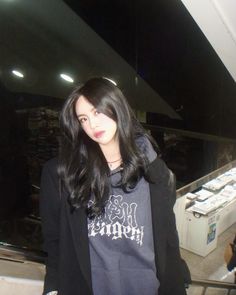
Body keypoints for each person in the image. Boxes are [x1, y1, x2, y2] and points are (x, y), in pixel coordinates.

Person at [40, 77, 190, 295]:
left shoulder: (156, 171)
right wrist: (53, 287)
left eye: (97, 112)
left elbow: (167, 240)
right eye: (83, 118)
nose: (92, 124)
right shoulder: (62, 175)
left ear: (117, 107)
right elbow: (54, 241)